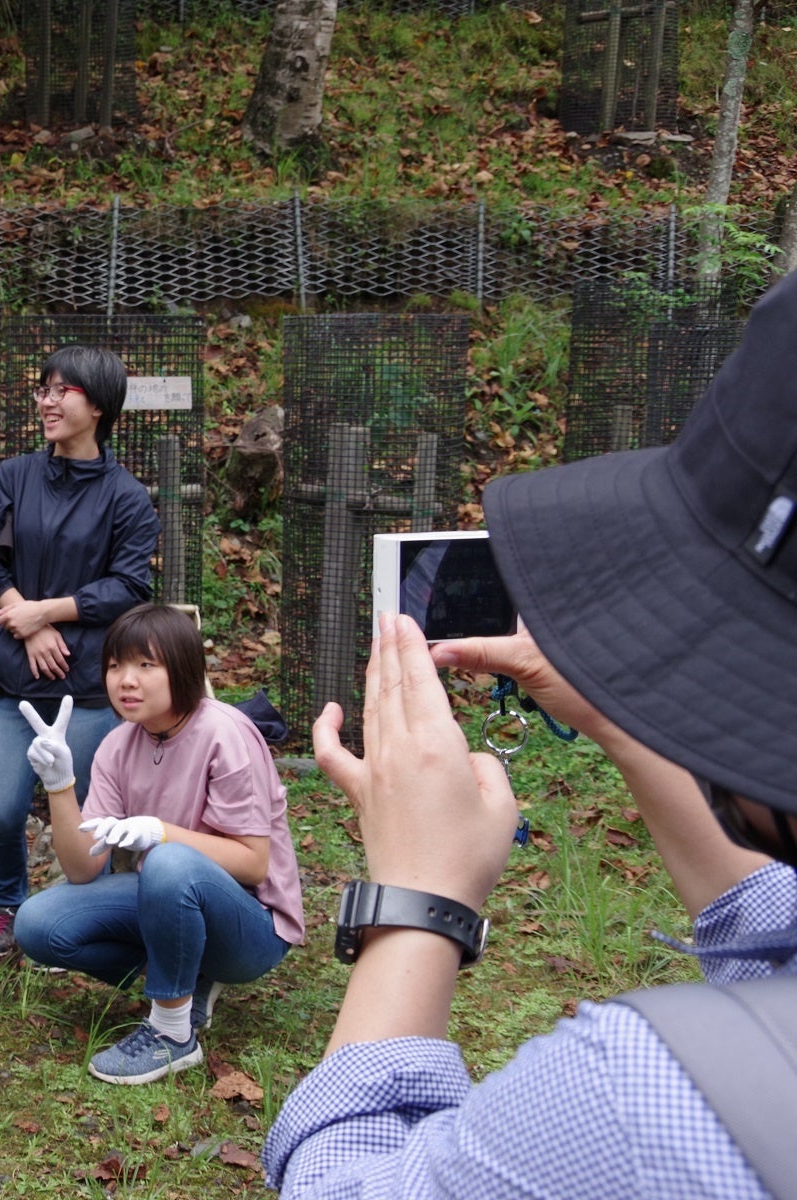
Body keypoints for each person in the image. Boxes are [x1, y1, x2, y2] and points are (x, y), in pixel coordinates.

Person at [263, 269, 797, 1196]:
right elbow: (775, 929)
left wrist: (419, 894)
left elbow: (340, 1183)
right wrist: (622, 719)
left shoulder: (642, 1100)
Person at [12, 604, 304, 1083]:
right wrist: (60, 785)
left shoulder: (225, 733)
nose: (127, 680)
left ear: (184, 669)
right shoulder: (119, 744)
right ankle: (184, 982)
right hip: (172, 897)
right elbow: (84, 870)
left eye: (146, 665)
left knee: (167, 862)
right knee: (38, 924)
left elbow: (253, 864)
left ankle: (172, 1033)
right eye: (115, 666)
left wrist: (162, 833)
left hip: (253, 926)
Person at [0, 345, 160, 956]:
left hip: (89, 688)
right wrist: (24, 619)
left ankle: (83, 919)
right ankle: (8, 907)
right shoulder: (16, 477)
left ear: (97, 405)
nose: (47, 402)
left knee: (79, 816)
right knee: (1, 812)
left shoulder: (127, 497)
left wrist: (47, 613)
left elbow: (130, 586)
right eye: (44, 390)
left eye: (61, 391)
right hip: (15, 680)